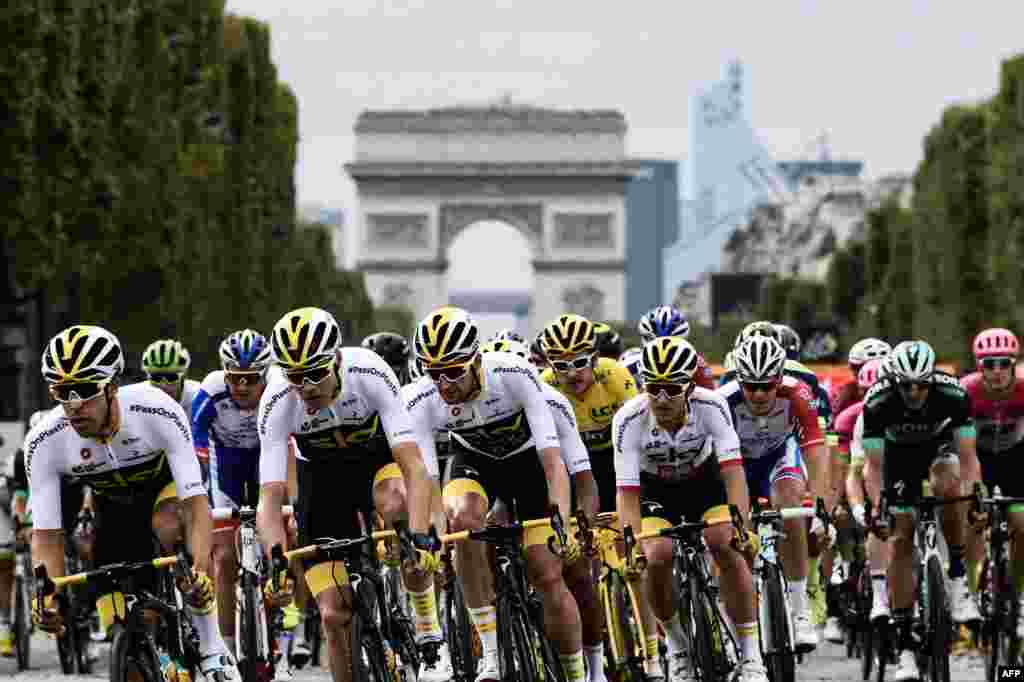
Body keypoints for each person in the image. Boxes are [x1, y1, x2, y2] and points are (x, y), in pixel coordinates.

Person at [29, 325, 236, 680]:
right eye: (62, 392)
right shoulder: (44, 440)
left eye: (85, 390)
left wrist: (201, 571)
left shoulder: (156, 409)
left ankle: (212, 645)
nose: (73, 404)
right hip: (112, 506)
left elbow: (196, 505)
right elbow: (47, 535)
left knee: (169, 525)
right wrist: (47, 596)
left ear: (112, 387)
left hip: (165, 492)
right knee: (114, 596)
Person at [405, 307, 587, 682]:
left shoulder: (513, 374)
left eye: (454, 371)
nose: (444, 383)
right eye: (433, 372)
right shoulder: (421, 398)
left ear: (476, 359)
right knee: (462, 522)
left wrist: (562, 520)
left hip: (528, 467)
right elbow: (427, 482)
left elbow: (553, 462)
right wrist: (434, 536)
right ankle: (490, 653)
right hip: (473, 463)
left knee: (546, 571)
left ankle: (575, 672)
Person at [256, 307, 438, 682]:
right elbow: (270, 499)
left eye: (315, 374)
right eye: (294, 376)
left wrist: (420, 535)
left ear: (337, 360)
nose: (305, 387)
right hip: (322, 479)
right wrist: (276, 562)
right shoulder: (276, 400)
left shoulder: (369, 371)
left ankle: (426, 620)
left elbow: (415, 468)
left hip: (376, 462)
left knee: (395, 500)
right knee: (332, 616)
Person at [614, 337, 766, 682]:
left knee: (724, 542)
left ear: (690, 386)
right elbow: (626, 492)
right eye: (653, 388)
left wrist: (743, 525)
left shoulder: (711, 406)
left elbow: (733, 472)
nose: (662, 398)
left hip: (704, 481)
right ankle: (678, 646)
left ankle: (750, 654)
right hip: (655, 488)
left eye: (671, 389)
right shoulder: (628, 419)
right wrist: (631, 542)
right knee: (656, 555)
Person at [862, 340, 981, 682]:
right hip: (897, 461)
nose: (914, 392)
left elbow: (969, 457)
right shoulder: (878, 400)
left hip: (938, 449)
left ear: (932, 378)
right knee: (900, 539)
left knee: (950, 487)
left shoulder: (953, 395)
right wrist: (877, 505)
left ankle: (958, 580)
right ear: (894, 380)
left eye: (921, 385)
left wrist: (972, 496)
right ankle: (905, 649)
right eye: (906, 386)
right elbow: (873, 466)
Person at [717, 336, 827, 652]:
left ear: (780, 378)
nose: (760, 394)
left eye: (767, 385)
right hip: (735, 463)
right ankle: (729, 619)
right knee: (730, 537)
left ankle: (799, 610)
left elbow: (816, 451)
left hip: (778, 457)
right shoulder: (722, 400)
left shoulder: (798, 394)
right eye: (751, 386)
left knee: (791, 501)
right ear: (739, 380)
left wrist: (819, 507)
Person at [960, 328, 1024, 636]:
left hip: (1016, 457)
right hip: (978, 460)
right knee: (973, 519)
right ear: (978, 366)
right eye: (988, 364)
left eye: (1003, 363)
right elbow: (958, 447)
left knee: (1021, 522)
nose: (996, 371)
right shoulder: (966, 391)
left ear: (1014, 364)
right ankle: (973, 590)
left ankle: (1021, 597)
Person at [637, 306, 715, 389]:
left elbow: (710, 396)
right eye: (654, 342)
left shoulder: (696, 363)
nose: (662, 350)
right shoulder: (633, 361)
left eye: (669, 344)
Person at [142, 338, 201, 420]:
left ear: (184, 376)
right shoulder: (139, 397)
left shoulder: (199, 396)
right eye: (156, 378)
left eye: (171, 377)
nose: (163, 385)